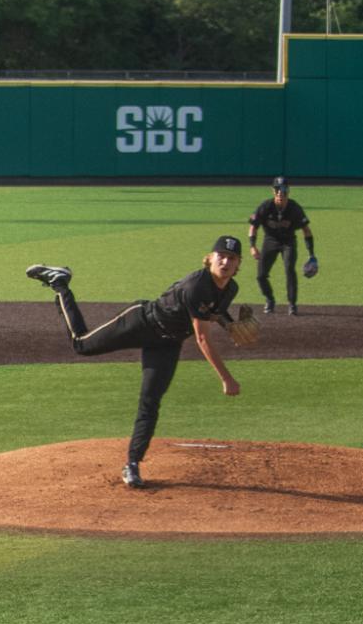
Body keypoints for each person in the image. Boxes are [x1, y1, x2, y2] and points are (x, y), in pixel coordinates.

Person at [26, 236, 248, 490]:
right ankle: (60, 283)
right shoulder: (197, 284)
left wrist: (229, 325)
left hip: (167, 344)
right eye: (221, 255)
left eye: (232, 258)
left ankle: (132, 463)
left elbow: (213, 311)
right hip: (141, 322)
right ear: (210, 258)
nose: (226, 261)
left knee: (150, 401)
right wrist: (226, 378)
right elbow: (201, 338)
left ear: (239, 262)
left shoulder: (231, 289)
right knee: (81, 344)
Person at [245, 177, 316, 315]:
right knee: (261, 275)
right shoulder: (266, 206)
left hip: (288, 242)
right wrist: (252, 246)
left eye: (283, 190)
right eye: (277, 190)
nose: (280, 194)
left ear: (288, 191)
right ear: (273, 191)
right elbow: (253, 227)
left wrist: (311, 254)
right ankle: (270, 300)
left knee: (290, 269)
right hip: (270, 240)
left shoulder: (294, 208)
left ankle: (292, 304)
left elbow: (306, 231)